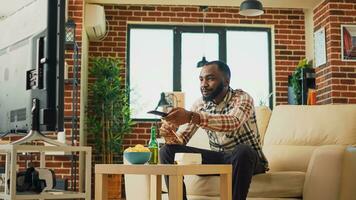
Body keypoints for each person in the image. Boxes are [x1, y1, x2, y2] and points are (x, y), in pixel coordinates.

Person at [159, 60, 269, 200]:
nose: (204, 84)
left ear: (226, 81)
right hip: (220, 159)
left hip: (249, 160)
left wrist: (191, 116)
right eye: (201, 79)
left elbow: (232, 122)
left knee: (243, 150)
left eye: (210, 79)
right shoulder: (199, 104)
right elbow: (182, 139)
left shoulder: (242, 98)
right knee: (167, 151)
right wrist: (171, 135)